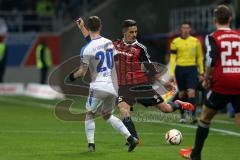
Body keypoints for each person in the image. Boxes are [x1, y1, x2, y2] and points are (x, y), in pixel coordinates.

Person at [76, 18, 195, 143]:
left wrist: (164, 82)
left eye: (135, 32)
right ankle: (134, 139)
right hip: (124, 87)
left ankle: (178, 103)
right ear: (125, 32)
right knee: (124, 110)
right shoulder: (114, 44)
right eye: (131, 32)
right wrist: (82, 28)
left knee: (166, 109)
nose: (134, 34)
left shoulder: (140, 48)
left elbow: (151, 69)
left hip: (141, 85)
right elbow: (93, 42)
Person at [69, 16, 138, 152]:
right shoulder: (109, 43)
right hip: (112, 87)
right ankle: (130, 138)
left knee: (89, 114)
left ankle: (91, 145)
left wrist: (71, 77)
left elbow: (82, 72)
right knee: (106, 115)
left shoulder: (86, 49)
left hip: (97, 87)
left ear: (89, 28)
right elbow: (116, 60)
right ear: (100, 27)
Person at [179, 5, 240, 160]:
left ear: (215, 20)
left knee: (205, 117)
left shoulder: (213, 36)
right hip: (238, 80)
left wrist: (206, 78)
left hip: (221, 82)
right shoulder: (239, 35)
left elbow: (211, 59)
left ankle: (196, 154)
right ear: (230, 19)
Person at [169, 22, 204, 124]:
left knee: (192, 92)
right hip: (180, 69)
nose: (185, 30)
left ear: (190, 29)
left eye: (187, 28)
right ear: (181, 29)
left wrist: (201, 72)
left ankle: (193, 116)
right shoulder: (175, 42)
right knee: (182, 94)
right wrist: (171, 73)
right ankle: (182, 116)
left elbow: (200, 57)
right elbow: (172, 59)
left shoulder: (196, 41)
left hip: (192, 69)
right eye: (183, 28)